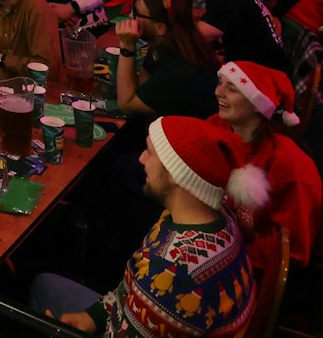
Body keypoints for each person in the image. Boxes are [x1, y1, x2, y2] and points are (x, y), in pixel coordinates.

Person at [29, 116, 262, 334]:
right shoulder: (213, 218)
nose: (141, 159)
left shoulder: (172, 274)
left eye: (150, 153)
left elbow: (151, 293)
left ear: (174, 174)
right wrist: (92, 317)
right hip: (132, 316)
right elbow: (131, 287)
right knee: (44, 283)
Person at [210, 62, 323, 273]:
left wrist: (217, 260)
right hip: (223, 237)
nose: (218, 92)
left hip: (253, 268)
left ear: (257, 104)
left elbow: (291, 252)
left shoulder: (287, 166)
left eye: (232, 89)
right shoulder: (219, 126)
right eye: (220, 83)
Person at [114, 0, 220, 119]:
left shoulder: (178, 69)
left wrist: (127, 46)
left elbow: (127, 104)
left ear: (160, 27)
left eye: (136, 13)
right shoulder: (170, 43)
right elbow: (142, 86)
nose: (130, 17)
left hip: (188, 135)